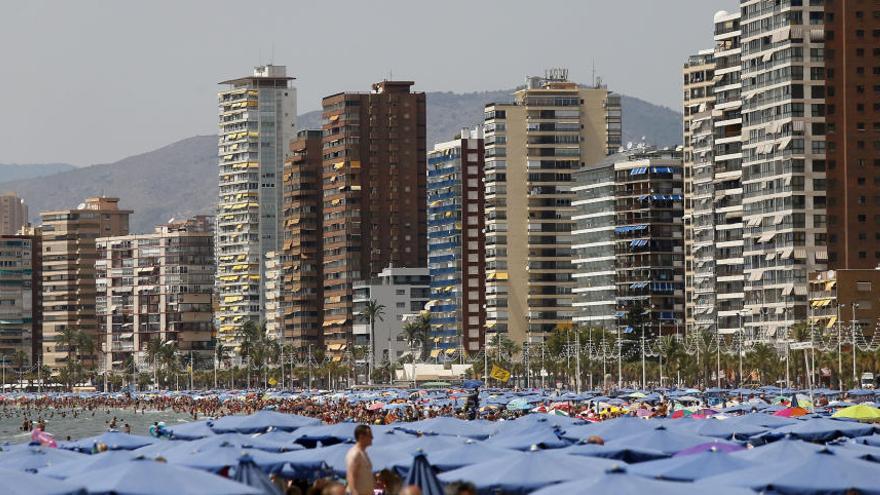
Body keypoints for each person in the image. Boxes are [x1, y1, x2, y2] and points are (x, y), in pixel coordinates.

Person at [345, 424, 374, 495]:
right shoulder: (355, 453)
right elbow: (351, 475)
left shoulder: (363, 453)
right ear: (361, 437)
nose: (372, 438)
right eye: (370, 435)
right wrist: (354, 492)